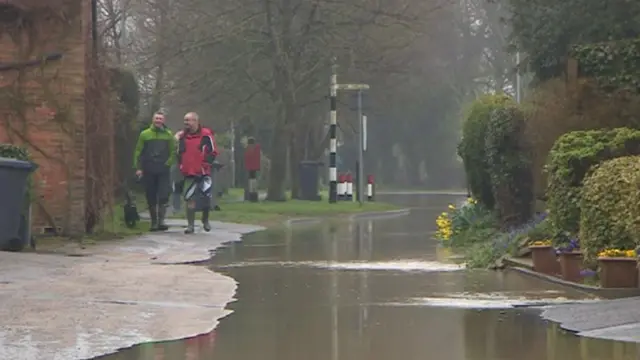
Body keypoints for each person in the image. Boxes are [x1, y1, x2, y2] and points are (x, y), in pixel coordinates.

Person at [133, 111, 175, 231]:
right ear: (153, 119)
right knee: (150, 195)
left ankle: (161, 221)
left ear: (164, 120)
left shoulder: (168, 135)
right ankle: (154, 222)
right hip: (149, 169)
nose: (158, 121)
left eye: (160, 119)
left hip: (163, 170)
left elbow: (173, 151)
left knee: (163, 195)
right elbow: (138, 151)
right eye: (156, 118)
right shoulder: (144, 134)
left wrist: (168, 163)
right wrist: (138, 167)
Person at [176, 112, 218, 234]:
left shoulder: (206, 134)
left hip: (204, 172)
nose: (186, 123)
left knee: (205, 198)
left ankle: (205, 220)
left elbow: (213, 152)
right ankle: (190, 225)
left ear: (196, 121)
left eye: (188, 120)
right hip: (188, 172)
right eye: (185, 120)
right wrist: (181, 165)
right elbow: (179, 152)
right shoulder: (182, 136)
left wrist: (206, 164)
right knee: (189, 198)